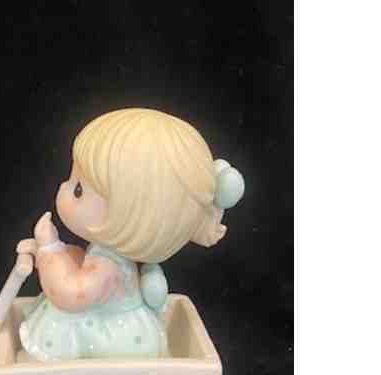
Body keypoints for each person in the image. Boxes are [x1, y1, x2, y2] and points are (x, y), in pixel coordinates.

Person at [17, 108, 244, 361]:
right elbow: (80, 261)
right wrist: (56, 252)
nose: (63, 188)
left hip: (114, 340)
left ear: (132, 216)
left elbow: (70, 294)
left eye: (78, 189)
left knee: (61, 319)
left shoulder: (107, 265)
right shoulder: (108, 254)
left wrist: (50, 250)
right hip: (118, 322)